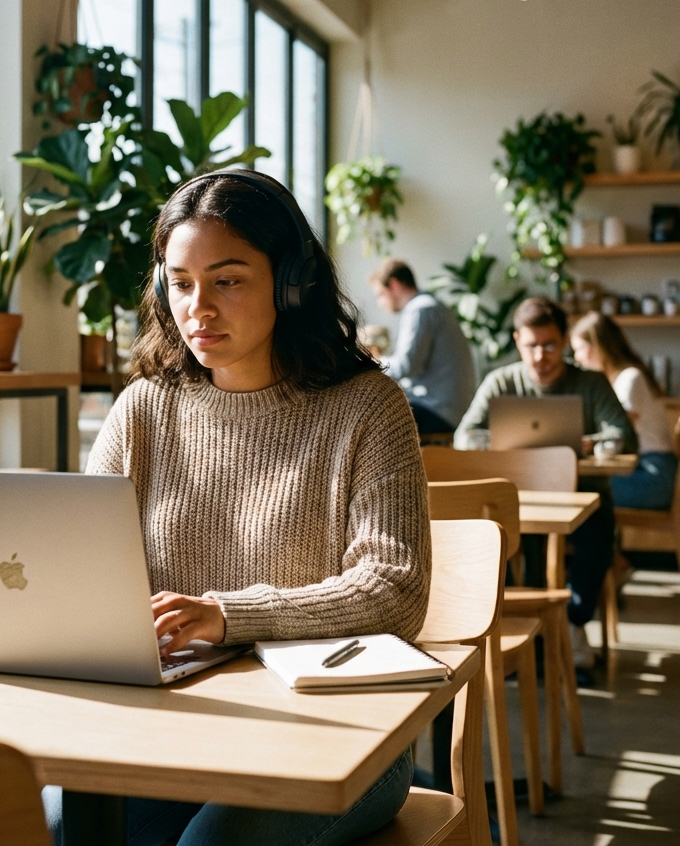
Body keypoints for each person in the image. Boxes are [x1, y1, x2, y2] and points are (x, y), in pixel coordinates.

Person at [43, 170, 430, 846]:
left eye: (227, 280)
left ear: (291, 283)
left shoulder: (368, 407)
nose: (199, 308)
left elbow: (393, 589)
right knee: (50, 827)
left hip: (338, 733)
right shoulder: (144, 409)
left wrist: (227, 615)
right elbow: (81, 563)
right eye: (181, 283)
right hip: (171, 722)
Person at [455, 297, 637, 671]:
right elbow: (465, 436)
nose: (540, 355)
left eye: (550, 345)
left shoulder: (590, 383)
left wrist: (588, 442)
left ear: (566, 341)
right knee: (490, 533)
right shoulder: (501, 381)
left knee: (599, 527)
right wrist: (505, 443)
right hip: (515, 499)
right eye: (531, 345)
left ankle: (573, 621)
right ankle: (507, 630)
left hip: (581, 495)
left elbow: (624, 437)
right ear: (517, 340)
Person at [570, 311, 677, 510]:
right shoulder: (618, 378)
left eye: (579, 349)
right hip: (645, 471)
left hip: (652, 475)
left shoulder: (629, 378)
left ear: (598, 347)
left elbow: (620, 433)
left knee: (579, 490)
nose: (576, 357)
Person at [370, 259, 475, 435]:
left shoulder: (420, 309)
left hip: (437, 410)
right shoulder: (430, 305)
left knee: (370, 419)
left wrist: (373, 362)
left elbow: (406, 366)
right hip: (448, 408)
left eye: (380, 294)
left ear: (394, 285)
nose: (380, 303)